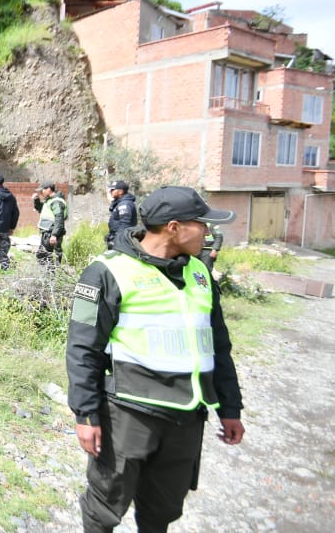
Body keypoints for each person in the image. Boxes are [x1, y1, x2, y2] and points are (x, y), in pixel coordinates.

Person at [66, 185, 244, 533]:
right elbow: (83, 348)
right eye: (202, 224)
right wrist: (86, 413)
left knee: (162, 510)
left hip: (187, 419)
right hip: (129, 416)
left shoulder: (200, 273)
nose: (208, 232)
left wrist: (230, 407)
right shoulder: (107, 272)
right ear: (174, 228)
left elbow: (218, 347)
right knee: (104, 508)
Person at [33, 182, 68, 268]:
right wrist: (36, 200)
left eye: (42, 190)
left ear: (48, 189)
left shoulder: (56, 202)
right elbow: (41, 209)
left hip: (51, 233)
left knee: (46, 256)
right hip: (47, 233)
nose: (41, 193)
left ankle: (50, 277)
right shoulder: (50, 200)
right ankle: (47, 276)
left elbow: (59, 219)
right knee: (42, 256)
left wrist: (54, 235)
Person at [104, 180, 137, 250]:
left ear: (121, 191)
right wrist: (110, 235)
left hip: (122, 241)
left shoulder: (125, 204)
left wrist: (117, 240)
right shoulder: (120, 203)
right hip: (118, 238)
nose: (111, 191)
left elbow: (125, 225)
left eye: (113, 189)